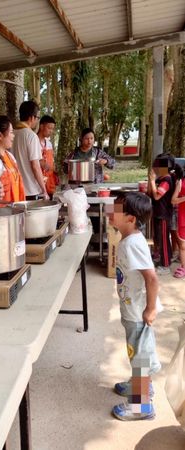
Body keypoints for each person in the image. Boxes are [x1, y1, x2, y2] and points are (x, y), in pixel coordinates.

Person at [107, 191, 161, 421]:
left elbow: (152, 278)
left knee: (140, 357)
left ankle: (142, 406)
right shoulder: (128, 240)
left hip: (139, 312)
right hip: (132, 310)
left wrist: (150, 309)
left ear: (130, 219)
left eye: (117, 210)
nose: (111, 212)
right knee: (136, 354)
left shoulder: (133, 245)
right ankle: (139, 385)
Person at [11, 101, 49, 200]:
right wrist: (44, 190)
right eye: (37, 118)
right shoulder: (31, 136)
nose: (37, 121)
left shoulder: (11, 134)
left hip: (15, 189)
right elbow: (35, 166)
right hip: (30, 189)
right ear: (32, 117)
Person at [148, 153, 176, 275]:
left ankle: (165, 266)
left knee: (164, 240)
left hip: (164, 215)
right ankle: (161, 259)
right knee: (159, 238)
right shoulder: (160, 179)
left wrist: (152, 180)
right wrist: (151, 180)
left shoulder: (167, 180)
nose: (156, 167)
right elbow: (150, 193)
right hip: (158, 213)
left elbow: (156, 196)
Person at [37, 115, 58, 199]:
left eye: (53, 129)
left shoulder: (49, 143)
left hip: (49, 181)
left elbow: (51, 161)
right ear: (41, 126)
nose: (51, 131)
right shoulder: (33, 141)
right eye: (49, 128)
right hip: (37, 182)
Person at [171, 164, 185, 278]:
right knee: (183, 245)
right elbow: (173, 200)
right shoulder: (181, 182)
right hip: (183, 217)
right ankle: (183, 267)